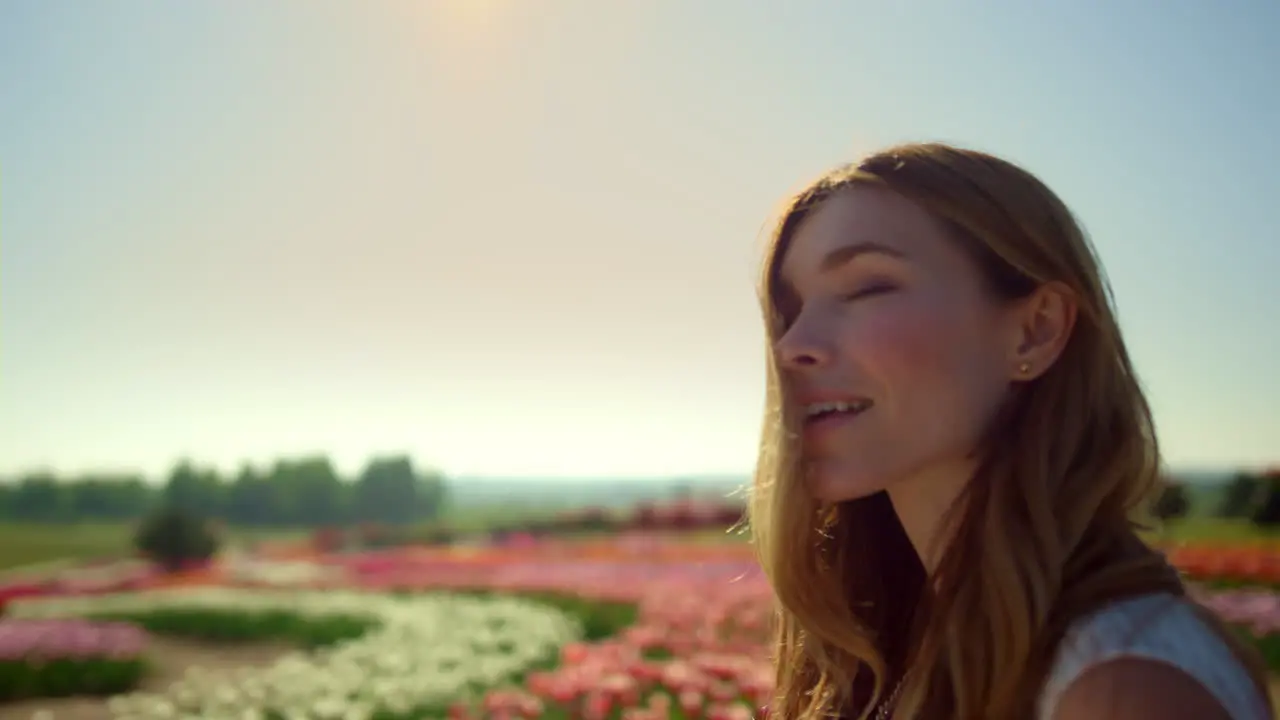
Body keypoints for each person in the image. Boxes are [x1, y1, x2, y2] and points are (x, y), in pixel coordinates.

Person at [747, 142, 1273, 720]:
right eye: (788, 309)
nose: (793, 345)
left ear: (1035, 331)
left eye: (867, 287)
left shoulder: (1124, 686)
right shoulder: (879, 649)